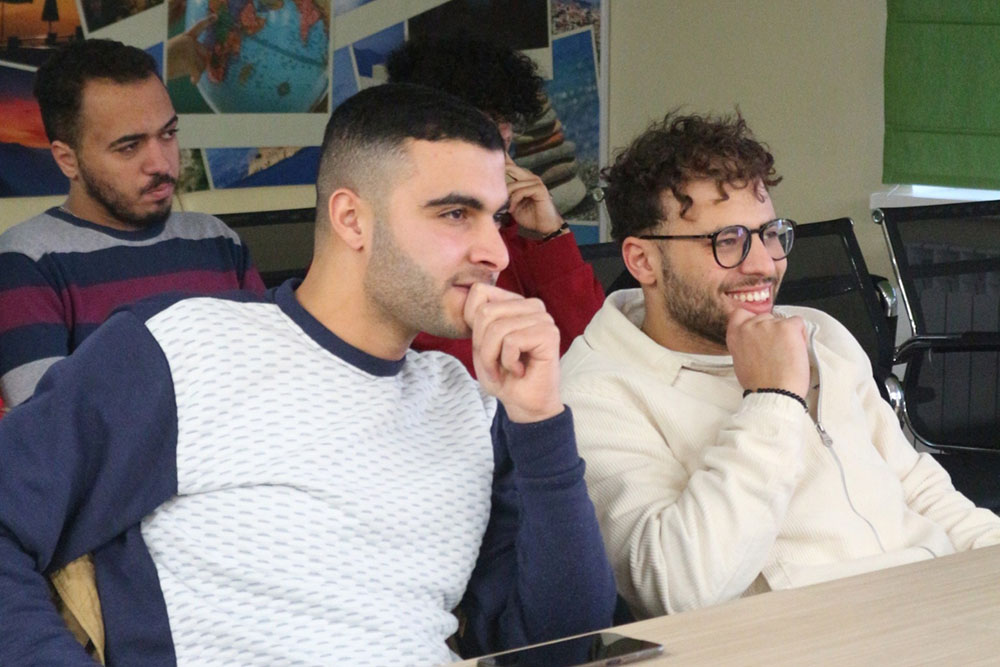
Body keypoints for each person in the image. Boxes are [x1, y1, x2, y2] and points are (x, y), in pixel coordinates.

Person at [0, 83, 616, 664]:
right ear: (351, 219)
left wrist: (539, 420)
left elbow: (559, 644)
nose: (497, 253)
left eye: (497, 218)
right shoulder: (180, 350)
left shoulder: (472, 405)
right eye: (456, 214)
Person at [560, 112, 1000, 620]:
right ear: (642, 261)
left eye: (770, 233)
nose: (764, 264)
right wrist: (772, 399)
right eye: (727, 240)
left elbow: (917, 487)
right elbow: (679, 589)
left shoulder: (816, 331)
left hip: (934, 606)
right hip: (819, 634)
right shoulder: (594, 394)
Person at [0, 39, 264, 411]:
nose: (161, 163)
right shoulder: (27, 261)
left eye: (168, 134)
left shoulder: (218, 241)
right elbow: (48, 426)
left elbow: (272, 373)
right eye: (129, 146)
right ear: (67, 160)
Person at [386, 37, 604, 374]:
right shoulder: (409, 235)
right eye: (486, 118)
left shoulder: (516, 221)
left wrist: (550, 234)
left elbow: (598, 348)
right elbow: (477, 374)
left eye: (506, 118)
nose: (504, 132)